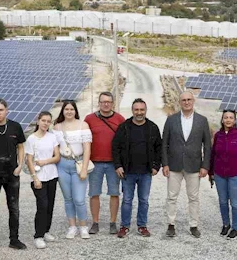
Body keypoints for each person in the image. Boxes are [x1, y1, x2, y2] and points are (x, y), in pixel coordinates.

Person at [162, 91, 211, 238]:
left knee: (193, 197)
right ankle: (171, 224)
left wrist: (205, 166)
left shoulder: (202, 121)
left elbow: (207, 145)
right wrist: (165, 164)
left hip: (194, 165)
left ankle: (193, 225)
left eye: (189, 99)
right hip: (174, 164)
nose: (186, 102)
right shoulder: (171, 120)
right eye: (183, 100)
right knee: (171, 197)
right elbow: (165, 143)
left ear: (193, 101)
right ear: (179, 102)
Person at [112, 99, 162, 238]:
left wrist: (156, 166)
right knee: (127, 200)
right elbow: (115, 147)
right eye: (136, 110)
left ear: (145, 110)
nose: (139, 112)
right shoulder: (124, 127)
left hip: (146, 172)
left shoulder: (153, 127)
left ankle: (142, 225)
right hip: (128, 172)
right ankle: (124, 226)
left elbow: (159, 148)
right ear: (132, 110)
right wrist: (118, 165)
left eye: (142, 110)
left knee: (144, 200)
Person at [0, 98, 27, 251]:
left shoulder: (15, 127)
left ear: (7, 110)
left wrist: (20, 165)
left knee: (14, 207)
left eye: (1, 110)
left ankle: (14, 239)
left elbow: (21, 146)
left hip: (12, 174)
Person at [84, 92, 125, 235]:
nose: (105, 104)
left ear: (113, 103)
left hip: (114, 164)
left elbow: (124, 142)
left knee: (114, 193)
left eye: (108, 101)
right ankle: (95, 222)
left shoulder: (120, 119)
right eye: (103, 101)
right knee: (94, 193)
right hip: (95, 163)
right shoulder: (89, 119)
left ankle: (112, 222)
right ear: (99, 103)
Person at [54, 100, 92, 239]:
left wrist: (84, 169)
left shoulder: (83, 125)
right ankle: (72, 226)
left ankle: (83, 226)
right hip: (62, 165)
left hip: (79, 163)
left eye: (71, 109)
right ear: (62, 111)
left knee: (79, 199)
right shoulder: (57, 127)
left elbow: (87, 149)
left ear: (75, 110)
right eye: (66, 109)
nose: (69, 112)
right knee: (68, 198)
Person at [209, 110, 237, 239]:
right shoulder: (218, 135)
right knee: (222, 201)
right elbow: (213, 154)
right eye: (225, 117)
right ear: (222, 120)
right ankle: (225, 224)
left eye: (231, 118)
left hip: (235, 175)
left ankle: (235, 227)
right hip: (219, 173)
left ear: (235, 120)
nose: (228, 120)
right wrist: (211, 172)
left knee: (235, 203)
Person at [25, 111, 60, 249]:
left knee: (50, 205)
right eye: (43, 120)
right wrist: (35, 178)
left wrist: (44, 161)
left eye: (48, 121)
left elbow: (57, 157)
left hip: (52, 175)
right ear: (38, 121)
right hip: (39, 177)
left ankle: (46, 231)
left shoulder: (52, 137)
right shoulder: (31, 139)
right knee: (42, 205)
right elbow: (29, 160)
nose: (45, 123)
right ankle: (38, 236)